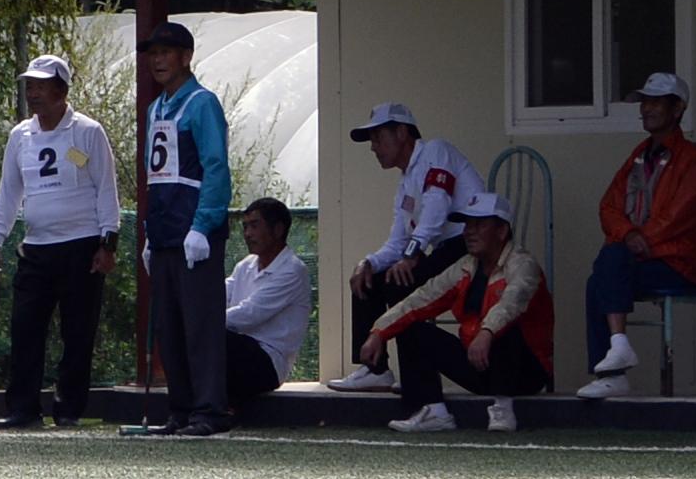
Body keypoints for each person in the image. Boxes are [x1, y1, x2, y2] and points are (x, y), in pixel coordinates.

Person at [0, 50, 121, 429]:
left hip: (81, 245)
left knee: (77, 333)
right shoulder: (20, 136)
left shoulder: (88, 132)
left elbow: (107, 188)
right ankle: (23, 408)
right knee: (25, 329)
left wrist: (109, 243)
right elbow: (9, 192)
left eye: (41, 86)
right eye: (30, 85)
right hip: (37, 247)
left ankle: (69, 408)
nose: (33, 93)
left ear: (61, 89)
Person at [328, 101, 492, 393]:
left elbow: (436, 206)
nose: (373, 147)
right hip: (446, 249)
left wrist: (411, 255)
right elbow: (396, 242)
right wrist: (367, 262)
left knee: (397, 283)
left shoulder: (435, 150)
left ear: (402, 132)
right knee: (369, 280)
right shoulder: (405, 184)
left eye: (378, 137)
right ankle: (375, 369)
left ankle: (419, 380)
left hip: (472, 247)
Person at [575, 72, 696, 400]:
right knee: (602, 272)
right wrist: (628, 235)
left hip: (676, 263)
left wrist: (639, 241)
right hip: (636, 257)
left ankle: (612, 370)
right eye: (645, 102)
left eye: (655, 102)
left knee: (605, 268)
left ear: (678, 108)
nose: (646, 109)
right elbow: (608, 205)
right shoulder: (639, 155)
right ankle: (617, 354)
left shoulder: (695, 159)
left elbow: (682, 215)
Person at [129, 21, 235, 438]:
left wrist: (204, 224)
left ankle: (210, 409)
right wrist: (149, 233)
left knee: (200, 323)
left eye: (166, 52)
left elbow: (215, 167)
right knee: (169, 325)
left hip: (194, 230)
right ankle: (181, 407)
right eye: (152, 53)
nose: (157, 60)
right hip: (165, 229)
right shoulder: (157, 108)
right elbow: (152, 174)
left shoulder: (201, 103)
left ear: (186, 57)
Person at [364, 205, 551, 431]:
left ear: (501, 231)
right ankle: (432, 410)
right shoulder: (465, 267)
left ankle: (503, 405)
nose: (469, 231)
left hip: (525, 371)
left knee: (506, 326)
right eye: (468, 225)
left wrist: (486, 332)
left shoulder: (523, 264)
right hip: (481, 363)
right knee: (411, 327)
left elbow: (511, 303)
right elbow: (420, 299)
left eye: (479, 225)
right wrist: (378, 332)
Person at [219, 196, 313, 413]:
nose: (247, 234)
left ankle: (219, 407)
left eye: (254, 226)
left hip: (268, 361)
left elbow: (250, 314)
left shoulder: (292, 270)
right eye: (245, 227)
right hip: (242, 348)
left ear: (278, 230)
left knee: (213, 337)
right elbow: (219, 296)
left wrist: (202, 321)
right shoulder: (245, 265)